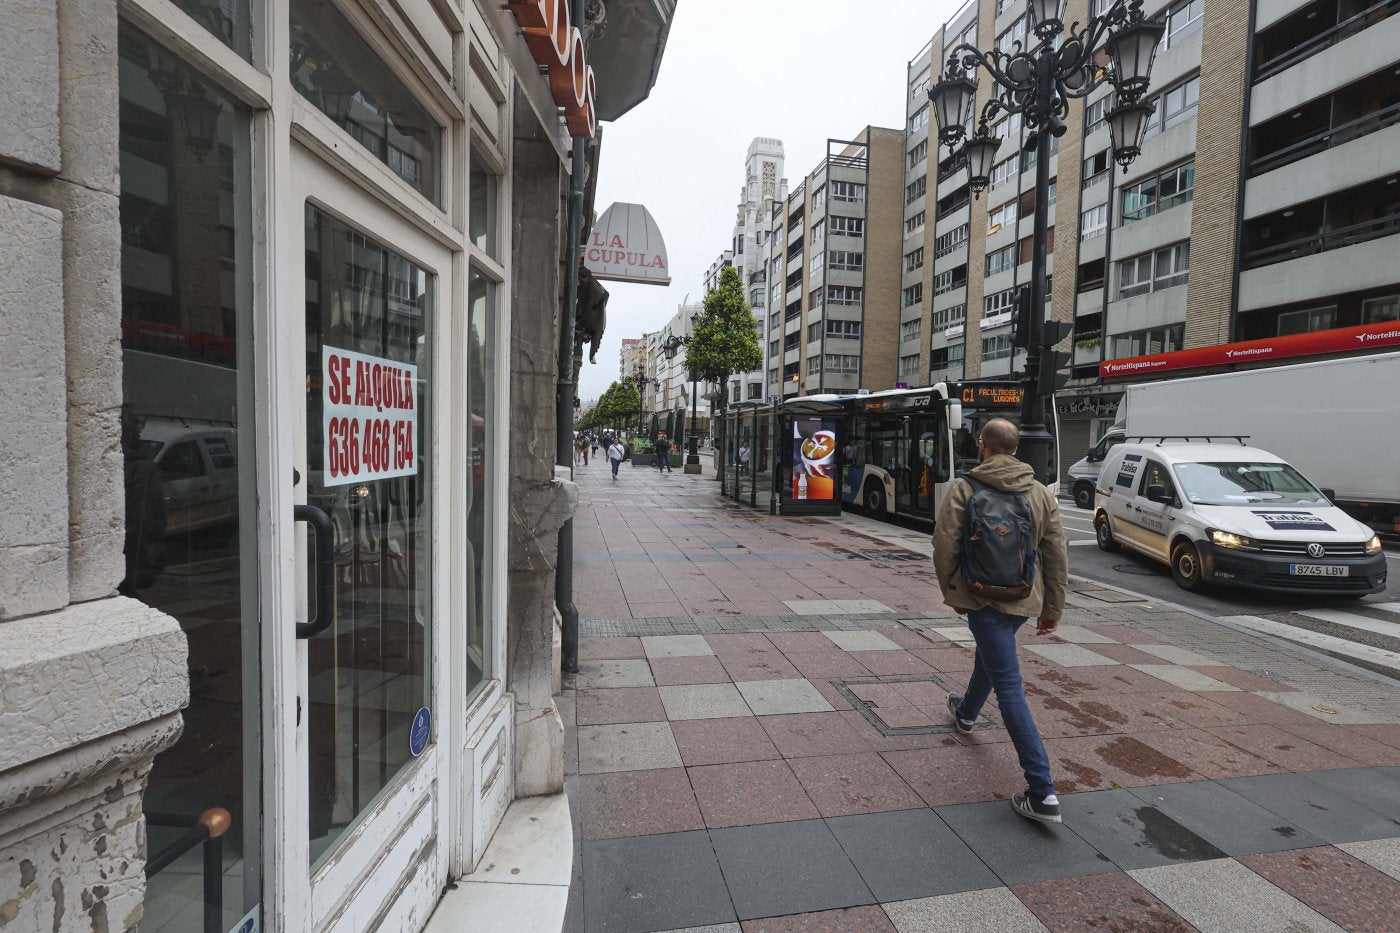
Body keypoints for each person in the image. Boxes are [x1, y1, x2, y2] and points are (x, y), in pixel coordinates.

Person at [932, 417, 1069, 825]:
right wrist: (1052, 609)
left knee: (1008, 684)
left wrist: (954, 594)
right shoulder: (1041, 493)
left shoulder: (964, 487)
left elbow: (944, 546)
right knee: (994, 659)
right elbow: (1057, 554)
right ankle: (967, 712)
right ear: (1017, 449)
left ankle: (1042, 792)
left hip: (981, 597)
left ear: (982, 446)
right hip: (1024, 597)